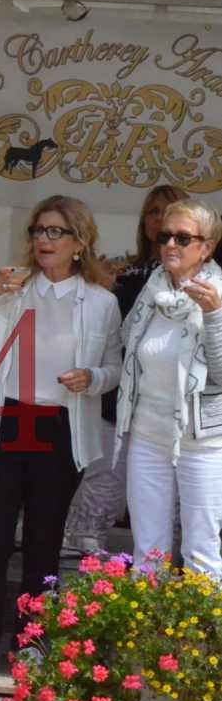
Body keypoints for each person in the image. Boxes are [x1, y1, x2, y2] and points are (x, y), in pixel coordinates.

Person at [0, 195, 122, 675]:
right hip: (6, 419)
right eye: (37, 231)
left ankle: (33, 643)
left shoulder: (102, 302)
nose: (43, 240)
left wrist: (93, 377)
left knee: (43, 540)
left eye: (54, 232)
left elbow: (114, 367)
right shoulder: (11, 287)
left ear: (79, 243)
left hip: (60, 425)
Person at [63, 184, 187, 554]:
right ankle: (80, 552)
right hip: (120, 396)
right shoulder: (123, 272)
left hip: (173, 401)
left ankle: (171, 565)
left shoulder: (204, 276)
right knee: (105, 475)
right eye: (153, 212)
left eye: (169, 212)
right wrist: (98, 284)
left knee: (173, 487)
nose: (160, 221)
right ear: (144, 222)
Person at [114, 197, 222, 579]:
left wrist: (214, 316)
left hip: (203, 441)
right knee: (149, 552)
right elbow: (128, 349)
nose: (171, 245)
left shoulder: (218, 294)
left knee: (201, 550)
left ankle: (203, 639)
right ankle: (146, 639)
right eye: (164, 236)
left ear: (206, 247)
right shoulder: (151, 291)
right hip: (148, 433)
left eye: (182, 237)